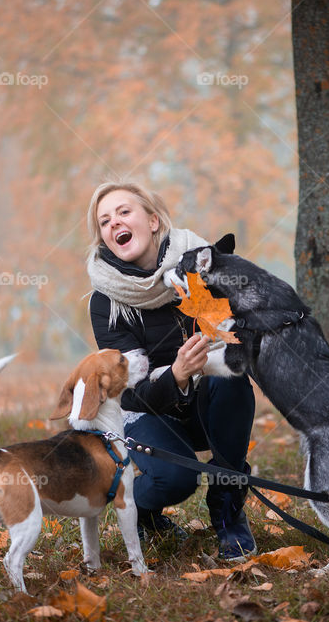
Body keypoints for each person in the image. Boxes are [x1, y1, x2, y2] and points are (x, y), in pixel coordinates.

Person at [85, 181, 257, 561]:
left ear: (153, 219)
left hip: (205, 405)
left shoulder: (201, 268)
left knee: (232, 375)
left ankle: (227, 509)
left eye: (124, 212)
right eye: (104, 221)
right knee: (177, 479)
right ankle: (142, 512)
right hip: (145, 413)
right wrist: (176, 374)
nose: (115, 223)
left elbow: (239, 337)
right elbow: (126, 392)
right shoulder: (106, 300)